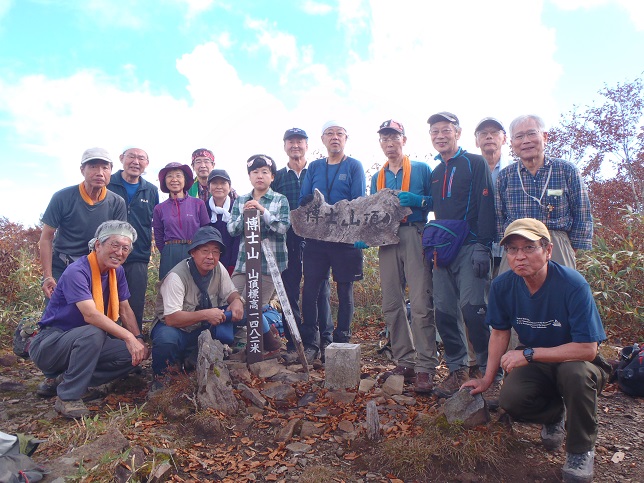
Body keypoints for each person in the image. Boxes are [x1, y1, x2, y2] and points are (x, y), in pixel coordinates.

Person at [463, 218, 609, 483]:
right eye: (512, 250)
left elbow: (588, 349)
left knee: (574, 375)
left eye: (529, 248)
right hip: (537, 362)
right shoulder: (503, 286)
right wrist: (487, 379)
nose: (519, 257)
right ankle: (555, 415)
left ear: (548, 250)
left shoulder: (573, 285)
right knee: (511, 401)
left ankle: (580, 450)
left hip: (577, 361)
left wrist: (529, 354)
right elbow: (499, 333)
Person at [29, 221, 148, 418]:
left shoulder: (116, 272)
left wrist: (139, 339)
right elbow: (90, 315)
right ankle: (68, 397)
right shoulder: (77, 271)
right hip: (51, 343)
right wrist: (128, 337)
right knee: (95, 331)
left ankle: (65, 380)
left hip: (86, 342)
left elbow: (125, 309)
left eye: (125, 248)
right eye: (115, 245)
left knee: (131, 356)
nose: (119, 252)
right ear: (98, 245)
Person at [150, 226, 282, 378]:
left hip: (202, 326)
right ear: (193, 252)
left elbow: (231, 292)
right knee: (166, 340)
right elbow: (171, 319)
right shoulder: (176, 277)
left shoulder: (218, 268)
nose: (210, 256)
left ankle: (271, 347)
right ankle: (162, 378)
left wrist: (237, 301)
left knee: (249, 311)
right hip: (176, 328)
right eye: (205, 251)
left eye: (215, 251)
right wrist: (206, 314)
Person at [426, 112, 496, 397]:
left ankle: (488, 371)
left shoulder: (475, 162)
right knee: (443, 311)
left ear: (458, 132)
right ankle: (456, 370)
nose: (440, 136)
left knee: (473, 309)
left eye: (446, 130)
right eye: (434, 131)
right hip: (443, 251)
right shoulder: (435, 173)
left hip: (470, 247)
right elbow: (436, 207)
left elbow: (487, 204)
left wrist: (483, 245)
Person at [370, 119, 438, 393]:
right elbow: (373, 209)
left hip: (414, 232)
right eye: (384, 138)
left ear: (404, 140)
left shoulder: (421, 169)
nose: (389, 143)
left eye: (394, 137)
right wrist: (367, 234)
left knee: (421, 301)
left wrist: (418, 201)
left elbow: (436, 202)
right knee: (391, 302)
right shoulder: (378, 177)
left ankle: (425, 366)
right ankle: (405, 360)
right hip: (387, 238)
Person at [298, 120, 366, 363]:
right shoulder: (315, 167)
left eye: (339, 133)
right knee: (311, 290)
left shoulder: (354, 166)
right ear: (323, 139)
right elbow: (303, 198)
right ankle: (312, 342)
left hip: (344, 239)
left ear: (346, 139)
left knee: (345, 289)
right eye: (330, 133)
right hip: (316, 238)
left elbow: (359, 201)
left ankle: (341, 342)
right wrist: (312, 201)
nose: (335, 137)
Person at [496, 114, 593, 270]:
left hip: (556, 242)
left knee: (560, 292)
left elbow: (582, 212)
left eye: (531, 133)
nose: (526, 141)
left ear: (545, 136)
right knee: (511, 292)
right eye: (519, 136)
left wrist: (569, 248)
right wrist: (511, 246)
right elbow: (499, 217)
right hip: (517, 244)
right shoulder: (505, 176)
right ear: (512, 143)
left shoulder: (566, 170)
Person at [271, 128, 333, 357]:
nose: (295, 145)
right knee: (290, 290)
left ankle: (325, 339)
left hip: (317, 237)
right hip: (288, 239)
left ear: (307, 145)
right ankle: (296, 340)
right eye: (290, 142)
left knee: (320, 289)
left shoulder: (318, 170)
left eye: (299, 141)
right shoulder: (277, 176)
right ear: (284, 145)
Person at [40, 148, 127, 299]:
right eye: (93, 166)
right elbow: (46, 238)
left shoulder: (117, 202)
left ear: (111, 171)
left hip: (98, 267)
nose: (99, 172)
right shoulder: (62, 197)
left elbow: (119, 241)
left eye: (105, 167)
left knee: (97, 316)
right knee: (57, 316)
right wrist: (48, 276)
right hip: (63, 266)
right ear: (82, 170)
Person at [107, 147, 159, 331]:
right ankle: (106, 340)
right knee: (107, 297)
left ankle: (134, 342)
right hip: (108, 254)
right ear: (121, 158)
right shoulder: (108, 183)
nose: (136, 162)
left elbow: (155, 222)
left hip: (138, 255)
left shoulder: (151, 190)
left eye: (141, 158)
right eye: (131, 157)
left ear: (147, 163)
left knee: (135, 300)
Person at [228, 155, 290, 306]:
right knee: (232, 303)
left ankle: (267, 330)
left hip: (269, 266)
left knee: (253, 309)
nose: (260, 176)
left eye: (265, 172)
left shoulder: (280, 199)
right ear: (249, 176)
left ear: (272, 177)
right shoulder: (240, 200)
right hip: (244, 263)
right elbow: (231, 230)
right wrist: (244, 215)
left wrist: (262, 211)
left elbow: (283, 228)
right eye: (255, 172)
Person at [153, 162, 210, 279]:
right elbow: (158, 235)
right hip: (170, 252)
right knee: (169, 287)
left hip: (194, 250)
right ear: (164, 181)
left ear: (185, 180)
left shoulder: (198, 204)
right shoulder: (159, 208)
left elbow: (205, 231)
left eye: (178, 175)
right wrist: (167, 251)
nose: (174, 179)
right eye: (169, 176)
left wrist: (200, 251)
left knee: (195, 288)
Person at [474, 117, 511, 277]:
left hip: (509, 246)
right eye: (483, 133)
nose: (489, 137)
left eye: (494, 133)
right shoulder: (469, 172)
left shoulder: (515, 171)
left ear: (505, 139)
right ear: (476, 141)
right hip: (477, 247)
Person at [205, 169, 240, 276]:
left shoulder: (237, 208)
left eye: (223, 183)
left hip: (231, 263)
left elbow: (238, 239)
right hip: (207, 262)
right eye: (214, 183)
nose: (219, 186)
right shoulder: (203, 208)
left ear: (229, 187)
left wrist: (233, 264)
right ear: (209, 187)